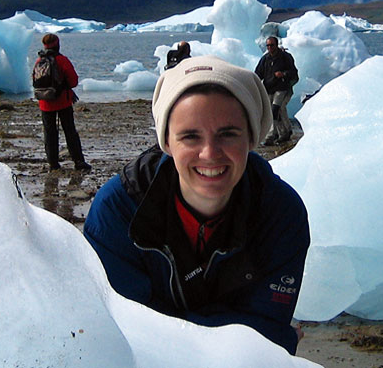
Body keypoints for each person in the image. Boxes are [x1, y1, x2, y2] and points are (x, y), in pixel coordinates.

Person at [82, 56, 310, 354]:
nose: (209, 154)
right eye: (190, 136)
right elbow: (121, 330)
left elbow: (263, 335)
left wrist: (165, 321)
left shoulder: (280, 213)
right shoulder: (121, 209)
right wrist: (267, 335)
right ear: (166, 142)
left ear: (252, 137)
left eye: (228, 134)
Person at [34, 33, 91, 171]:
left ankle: (53, 163)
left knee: (49, 133)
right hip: (62, 101)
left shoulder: (38, 61)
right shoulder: (62, 60)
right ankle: (78, 161)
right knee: (69, 131)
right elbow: (73, 81)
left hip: (45, 102)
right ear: (57, 44)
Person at [254, 36, 298, 146]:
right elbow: (258, 73)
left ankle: (271, 136)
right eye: (268, 45)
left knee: (275, 109)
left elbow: (294, 72)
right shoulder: (265, 59)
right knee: (274, 111)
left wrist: (283, 74)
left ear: (276, 45)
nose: (269, 47)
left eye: (271, 45)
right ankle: (285, 132)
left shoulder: (285, 57)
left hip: (282, 88)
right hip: (269, 89)